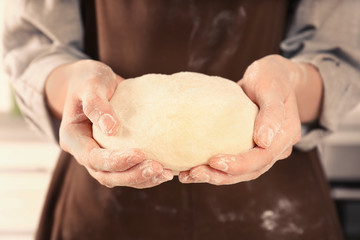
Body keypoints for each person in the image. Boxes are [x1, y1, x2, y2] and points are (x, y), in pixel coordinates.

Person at [3, 0, 360, 239]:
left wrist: (293, 84)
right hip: (103, 197)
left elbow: (340, 54)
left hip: (276, 198)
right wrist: (73, 86)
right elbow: (33, 46)